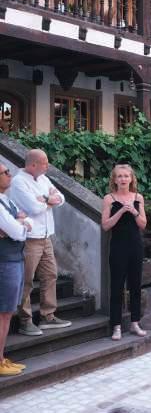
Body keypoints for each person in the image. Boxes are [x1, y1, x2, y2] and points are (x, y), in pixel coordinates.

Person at [11, 149, 70, 336]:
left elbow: (62, 198)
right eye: (45, 162)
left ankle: (47, 316)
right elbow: (34, 208)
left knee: (50, 275)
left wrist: (45, 199)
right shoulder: (19, 182)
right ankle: (25, 321)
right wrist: (49, 200)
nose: (48, 165)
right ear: (33, 164)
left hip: (46, 236)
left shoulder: (43, 179)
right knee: (26, 280)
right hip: (29, 238)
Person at [101, 164, 148, 341]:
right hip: (118, 246)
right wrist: (121, 210)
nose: (123, 179)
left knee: (135, 285)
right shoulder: (109, 198)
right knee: (117, 286)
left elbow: (143, 224)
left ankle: (135, 322)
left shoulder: (138, 197)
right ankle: (117, 326)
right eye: (119, 176)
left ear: (131, 179)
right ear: (114, 179)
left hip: (135, 246)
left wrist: (134, 211)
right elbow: (105, 225)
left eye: (126, 176)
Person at [0, 164, 32, 376]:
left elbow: (27, 221)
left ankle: (1, 358)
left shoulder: (6, 200)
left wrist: (20, 222)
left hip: (14, 259)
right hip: (5, 262)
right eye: (4, 172)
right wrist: (20, 224)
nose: (9, 174)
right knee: (3, 313)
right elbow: (18, 232)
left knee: (7, 313)